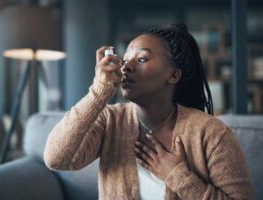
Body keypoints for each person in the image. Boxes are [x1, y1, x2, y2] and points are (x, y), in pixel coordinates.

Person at [44, 23, 254, 199]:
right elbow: (56, 159)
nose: (126, 68)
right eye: (125, 60)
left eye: (142, 59)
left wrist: (178, 176)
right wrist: (99, 91)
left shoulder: (211, 132)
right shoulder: (110, 121)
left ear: (173, 76)